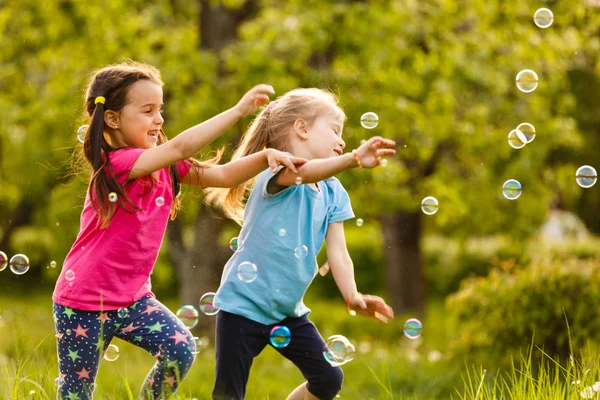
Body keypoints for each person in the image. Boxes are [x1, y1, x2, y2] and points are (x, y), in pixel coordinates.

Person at [51, 61, 305, 400]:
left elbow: (225, 176)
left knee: (181, 349)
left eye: (160, 109)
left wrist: (265, 157)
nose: (159, 119)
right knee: (75, 392)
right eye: (147, 111)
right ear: (112, 119)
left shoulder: (167, 167)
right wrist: (238, 111)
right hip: (82, 301)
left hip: (133, 299)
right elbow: (181, 147)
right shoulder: (117, 164)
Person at [208, 88, 396, 400]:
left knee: (328, 379)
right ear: (302, 128)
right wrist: (353, 160)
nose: (342, 141)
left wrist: (353, 295)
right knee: (229, 394)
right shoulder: (278, 170)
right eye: (335, 130)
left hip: (287, 312)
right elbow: (304, 173)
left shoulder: (334, 192)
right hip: (242, 305)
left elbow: (338, 251)